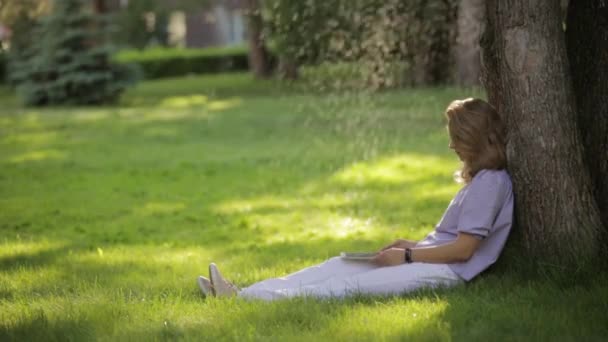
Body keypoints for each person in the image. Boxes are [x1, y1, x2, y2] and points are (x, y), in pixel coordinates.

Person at [197, 98, 514, 301]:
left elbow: (464, 250)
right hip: (431, 261)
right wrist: (410, 245)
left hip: (446, 275)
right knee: (341, 264)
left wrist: (406, 258)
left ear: (474, 139)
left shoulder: (491, 183)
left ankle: (240, 300)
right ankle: (243, 292)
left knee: (342, 288)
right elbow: (453, 242)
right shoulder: (481, 182)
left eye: (456, 139)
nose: (451, 147)